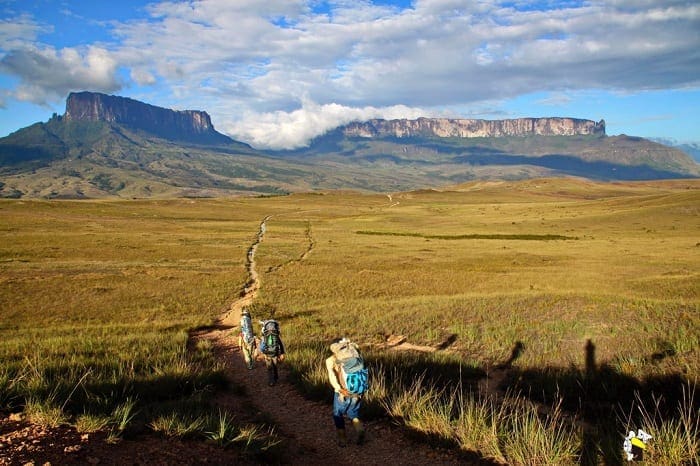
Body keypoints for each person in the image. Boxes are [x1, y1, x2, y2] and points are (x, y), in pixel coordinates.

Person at [326, 338, 367, 447]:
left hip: (342, 393)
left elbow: (332, 377)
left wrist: (339, 389)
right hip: (358, 392)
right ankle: (359, 430)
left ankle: (342, 439)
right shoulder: (356, 354)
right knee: (353, 413)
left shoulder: (331, 360)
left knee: (337, 414)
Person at [258, 319, 285, 386]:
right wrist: (282, 353)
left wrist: (262, 352)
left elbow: (261, 346)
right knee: (275, 365)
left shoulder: (265, 336)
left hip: (267, 354)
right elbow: (281, 344)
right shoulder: (276, 335)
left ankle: (271, 381)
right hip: (275, 353)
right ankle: (275, 377)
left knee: (269, 368)